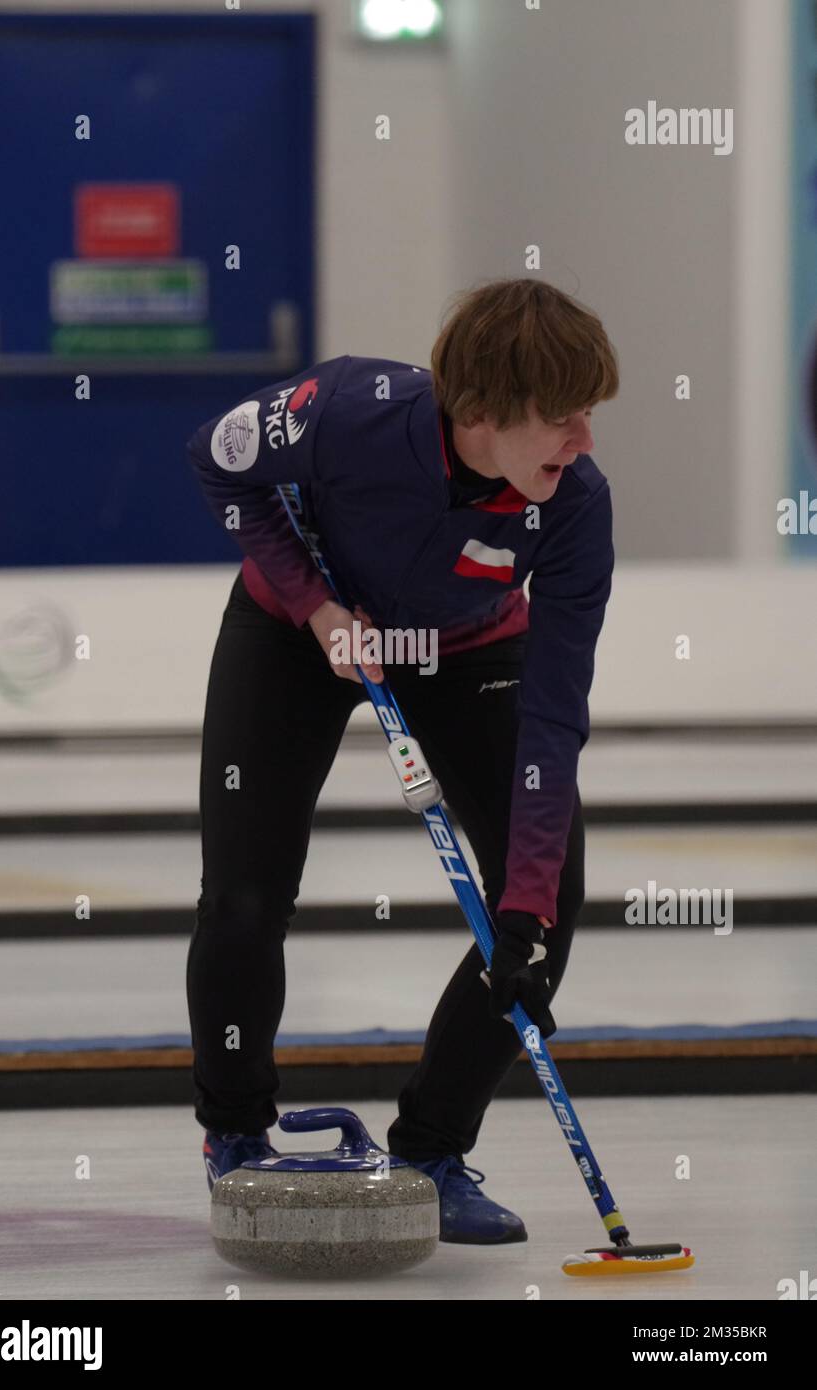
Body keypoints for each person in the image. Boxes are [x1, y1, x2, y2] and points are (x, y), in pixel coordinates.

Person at [186, 277, 619, 1244]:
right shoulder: (345, 411)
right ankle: (236, 1134)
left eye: (589, 414)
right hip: (295, 633)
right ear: (481, 413)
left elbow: (554, 713)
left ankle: (431, 1148)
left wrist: (527, 897)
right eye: (563, 418)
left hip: (468, 652)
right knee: (245, 897)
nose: (584, 442)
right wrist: (315, 605)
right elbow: (218, 463)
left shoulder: (576, 508)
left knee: (543, 907)